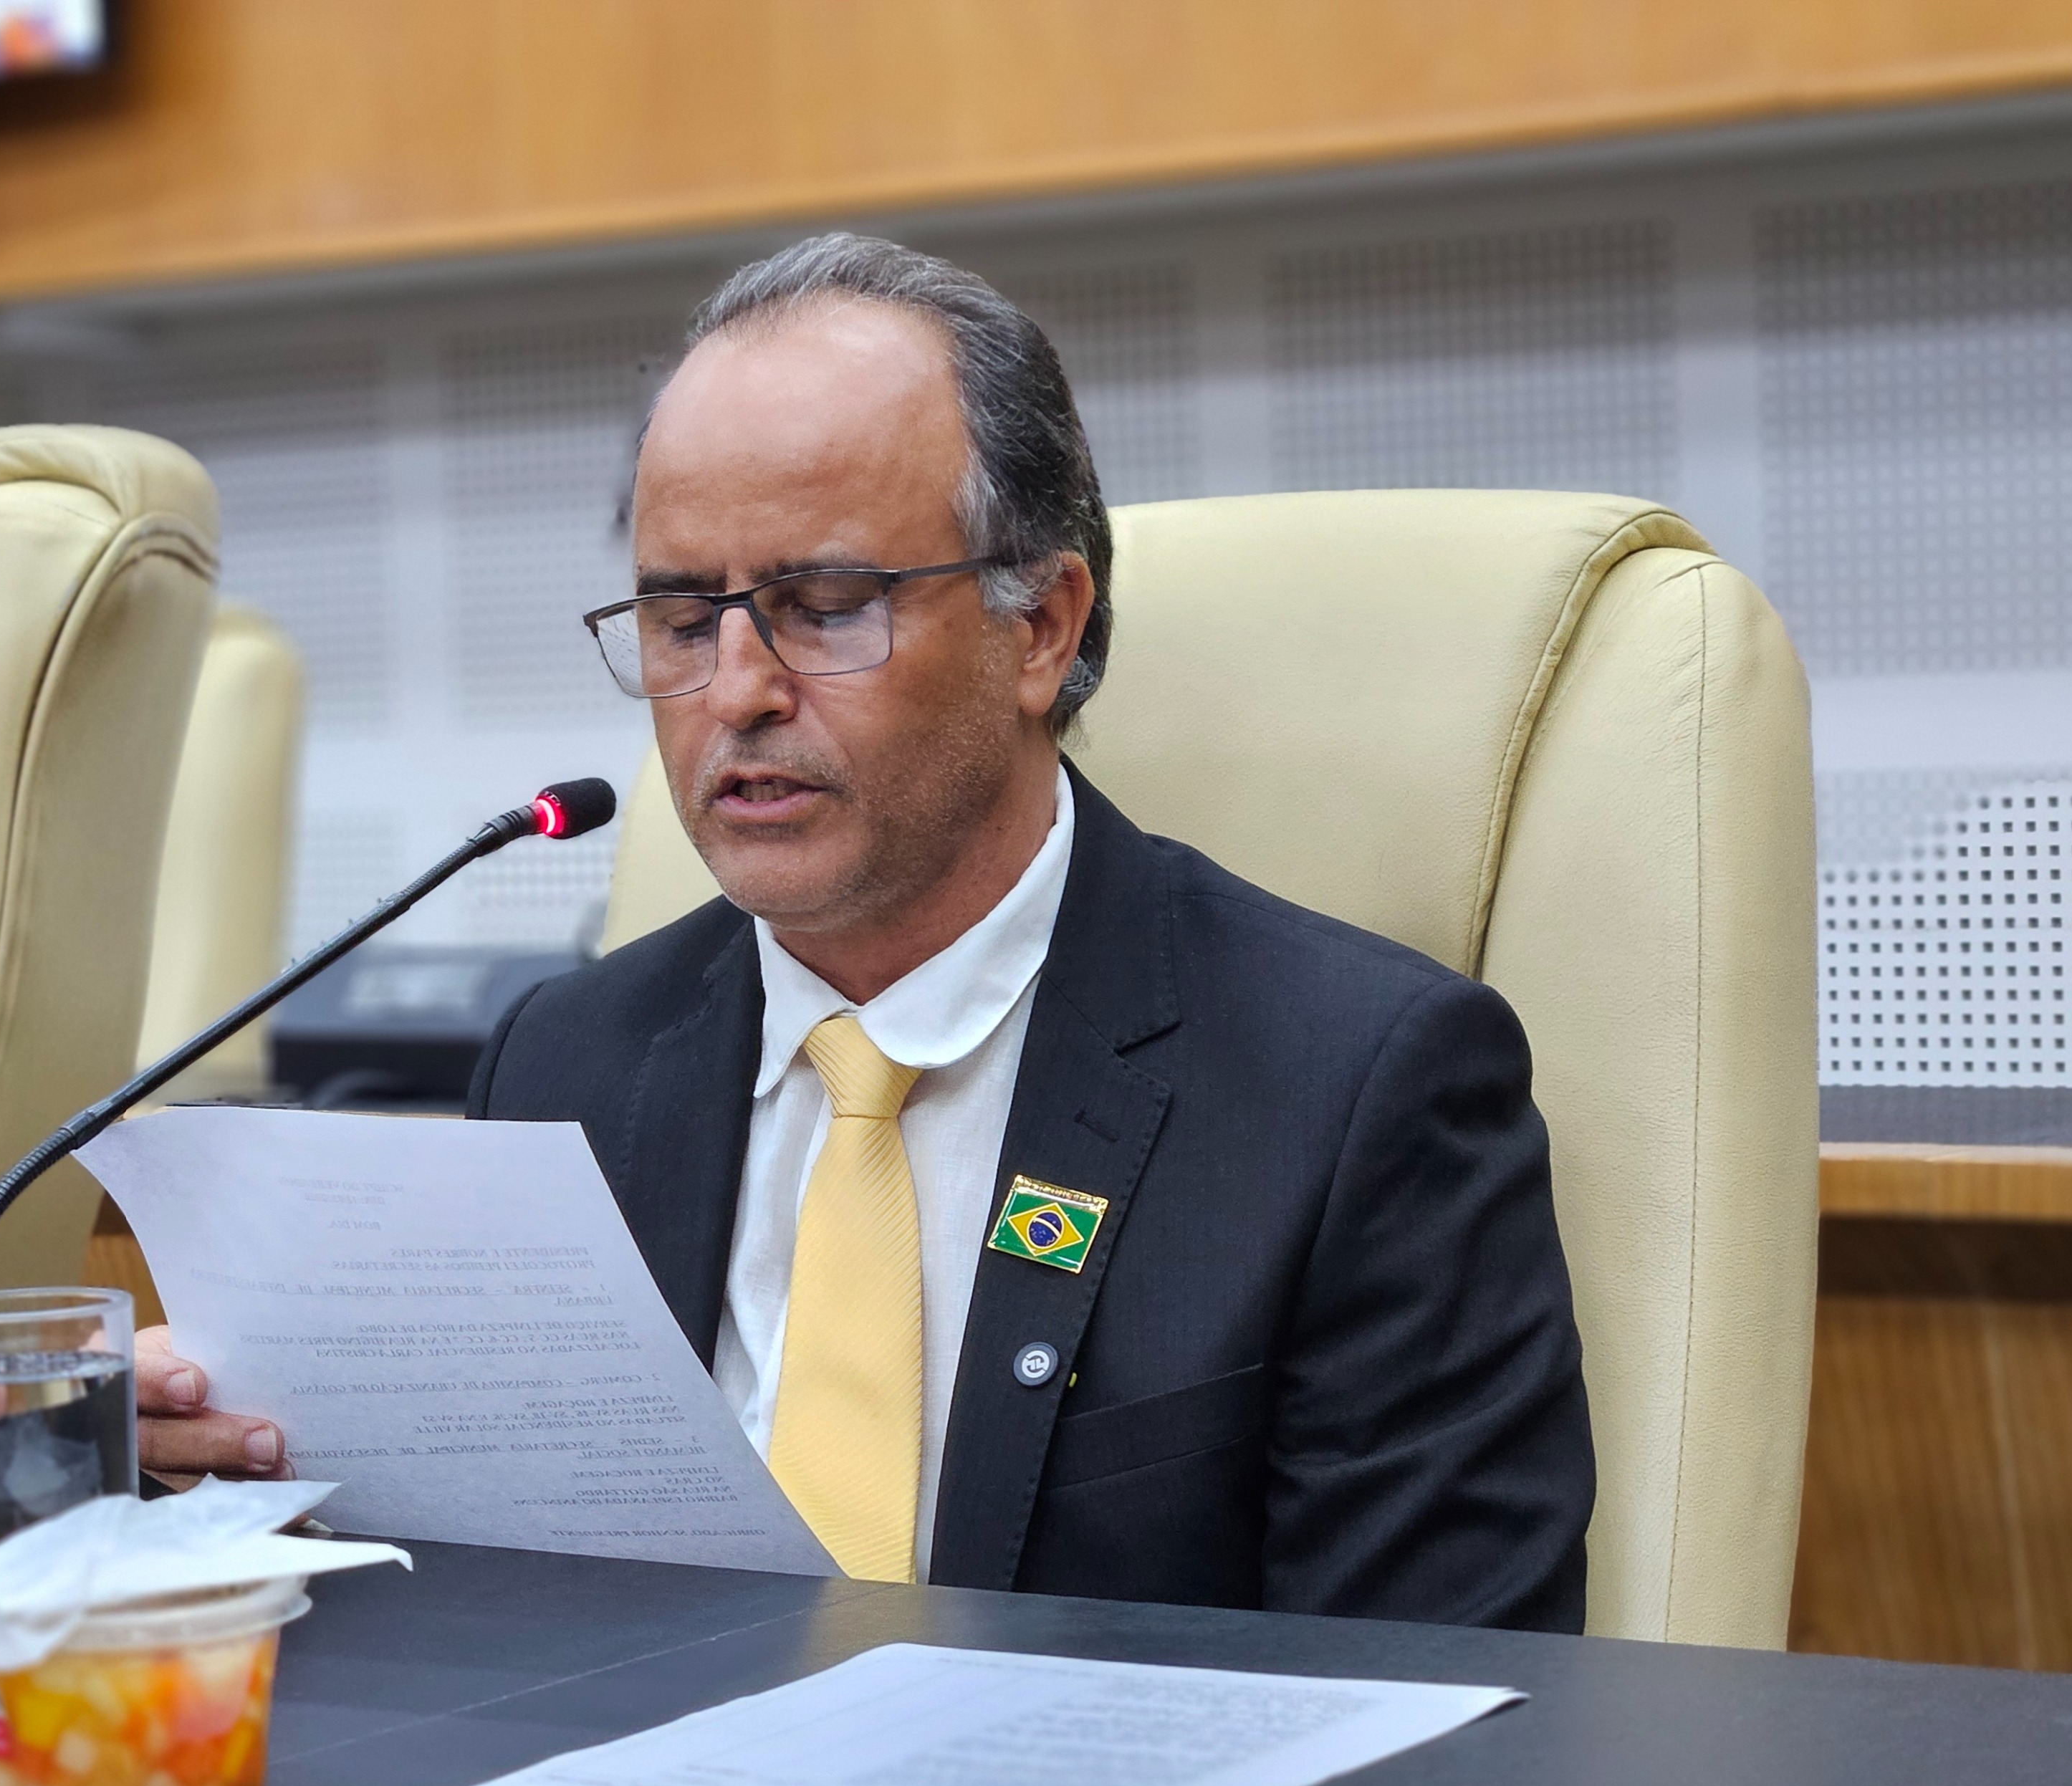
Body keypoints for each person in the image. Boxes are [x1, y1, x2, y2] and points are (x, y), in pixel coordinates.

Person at [138, 233, 1594, 1627]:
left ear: (1040, 628)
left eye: (827, 605)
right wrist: (270, 1490)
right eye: (681, 621)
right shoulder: (567, 1066)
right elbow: (489, 1595)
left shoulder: (1352, 1088)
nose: (736, 691)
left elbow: (1440, 1700)